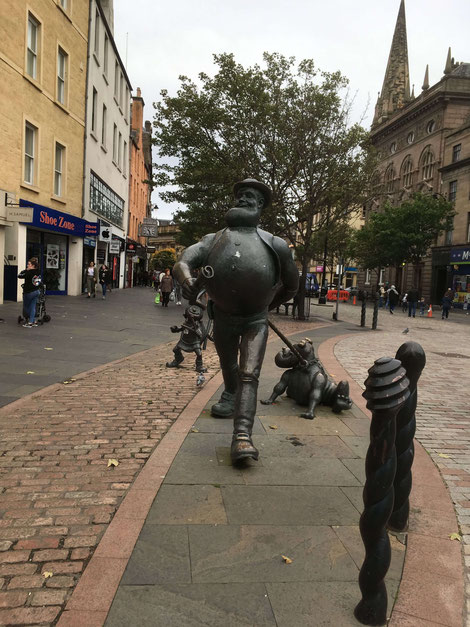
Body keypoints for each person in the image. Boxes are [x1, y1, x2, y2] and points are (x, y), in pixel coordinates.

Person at [174, 178, 298, 464]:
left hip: (255, 319)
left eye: (251, 196)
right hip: (225, 316)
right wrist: (188, 279)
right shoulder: (214, 239)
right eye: (241, 194)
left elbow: (291, 286)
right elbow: (183, 261)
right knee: (228, 363)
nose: (243, 199)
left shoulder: (275, 244)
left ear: (261, 205)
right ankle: (230, 395)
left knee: (249, 373)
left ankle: (242, 436)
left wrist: (268, 304)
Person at [18, 257, 41, 327]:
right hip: (37, 291)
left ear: (33, 265)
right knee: (33, 307)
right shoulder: (38, 271)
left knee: (26, 307)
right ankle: (32, 321)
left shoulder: (28, 272)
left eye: (29, 264)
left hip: (29, 292)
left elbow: (19, 276)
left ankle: (30, 321)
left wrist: (25, 270)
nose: (27, 265)